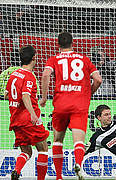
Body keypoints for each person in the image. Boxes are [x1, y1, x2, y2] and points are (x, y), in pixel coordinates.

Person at [39, 32, 102, 180]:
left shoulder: (54, 59)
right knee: (79, 141)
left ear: (58, 44)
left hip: (61, 104)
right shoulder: (84, 59)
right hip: (79, 104)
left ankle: (59, 176)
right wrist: (88, 93)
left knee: (58, 141)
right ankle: (78, 164)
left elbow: (46, 75)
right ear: (73, 43)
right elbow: (98, 79)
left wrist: (43, 97)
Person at [5, 45, 49, 180]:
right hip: (27, 119)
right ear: (34, 58)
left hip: (16, 120)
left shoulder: (14, 74)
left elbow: (7, 95)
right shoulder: (29, 76)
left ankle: (17, 171)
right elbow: (25, 95)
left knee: (26, 151)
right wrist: (32, 114)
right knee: (43, 149)